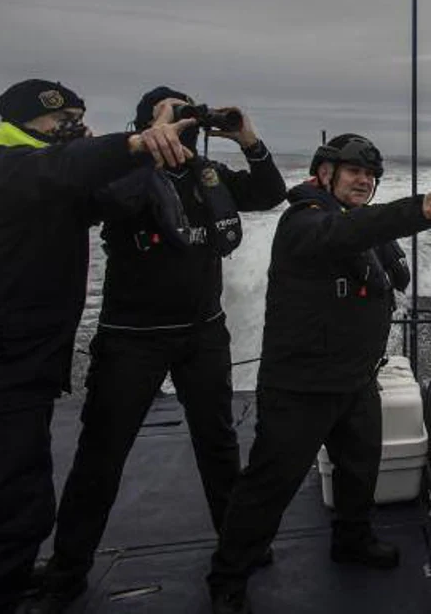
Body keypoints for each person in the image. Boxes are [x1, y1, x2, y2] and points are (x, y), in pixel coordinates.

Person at [0, 78, 195, 614]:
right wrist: (138, 140)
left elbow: (108, 195)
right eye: (62, 122)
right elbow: (64, 169)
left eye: (78, 120)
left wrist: (148, 152)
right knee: (12, 511)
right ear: (30, 122)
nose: (73, 130)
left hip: (16, 371)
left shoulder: (48, 178)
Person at [28, 87, 287, 612]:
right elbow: (105, 200)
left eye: (186, 116)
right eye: (170, 115)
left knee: (218, 446)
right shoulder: (123, 175)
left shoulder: (203, 174)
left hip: (203, 334)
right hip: (132, 340)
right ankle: (68, 568)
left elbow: (269, 193)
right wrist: (145, 146)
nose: (182, 125)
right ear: (144, 122)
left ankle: (239, 549)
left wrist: (246, 137)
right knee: (102, 455)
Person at [206, 133, 431, 614]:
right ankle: (228, 576)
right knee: (269, 484)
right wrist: (414, 212)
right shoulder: (303, 222)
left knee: (359, 471)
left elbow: (392, 272)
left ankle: (352, 540)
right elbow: (338, 235)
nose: (363, 181)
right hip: (300, 385)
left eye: (370, 175)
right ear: (325, 174)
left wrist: (387, 243)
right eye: (353, 172)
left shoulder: (359, 225)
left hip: (356, 378)